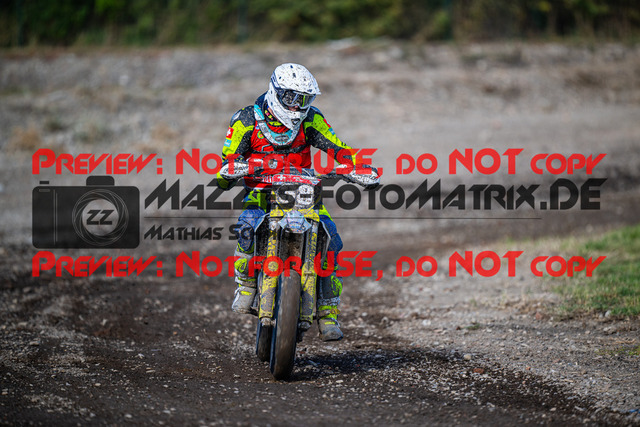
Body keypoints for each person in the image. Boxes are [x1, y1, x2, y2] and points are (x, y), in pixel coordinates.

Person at [216, 63, 377, 341]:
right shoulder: (246, 120)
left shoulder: (310, 119)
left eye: (304, 99)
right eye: (291, 97)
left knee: (331, 241)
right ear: (275, 92)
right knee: (246, 229)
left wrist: (356, 167)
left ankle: (328, 312)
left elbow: (338, 147)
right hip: (261, 192)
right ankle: (246, 285)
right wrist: (233, 169)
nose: (297, 106)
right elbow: (227, 160)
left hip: (304, 193)